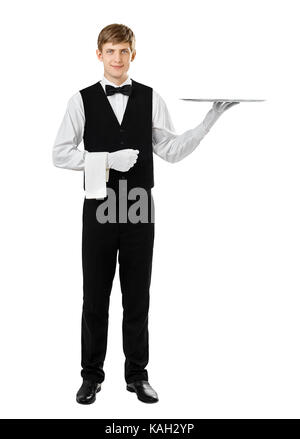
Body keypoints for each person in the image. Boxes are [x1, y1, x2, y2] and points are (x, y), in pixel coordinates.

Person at [52, 23, 239, 405]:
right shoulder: (80, 100)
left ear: (133, 55)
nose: (117, 58)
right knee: (95, 298)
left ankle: (137, 375)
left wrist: (208, 123)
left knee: (138, 298)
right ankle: (91, 376)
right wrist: (104, 161)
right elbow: (59, 153)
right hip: (99, 207)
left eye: (124, 51)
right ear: (99, 54)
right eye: (111, 51)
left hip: (139, 210)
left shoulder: (151, 98)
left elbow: (170, 150)